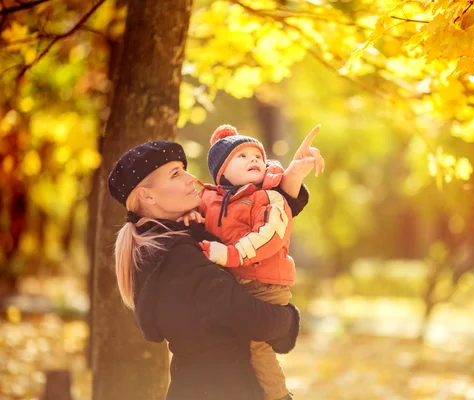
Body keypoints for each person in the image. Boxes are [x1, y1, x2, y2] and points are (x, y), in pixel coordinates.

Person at [107, 133, 324, 400]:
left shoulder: (173, 240)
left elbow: (244, 223)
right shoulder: (176, 257)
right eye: (176, 174)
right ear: (147, 197)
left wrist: (292, 177)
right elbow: (247, 315)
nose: (190, 179)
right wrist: (288, 320)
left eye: (185, 171)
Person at [188, 124, 321, 400]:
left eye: (257, 156)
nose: (253, 160)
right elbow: (196, 218)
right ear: (222, 171)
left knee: (257, 348)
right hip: (237, 283)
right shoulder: (210, 199)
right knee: (234, 346)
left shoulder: (269, 198)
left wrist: (231, 255)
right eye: (242, 155)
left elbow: (269, 236)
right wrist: (189, 217)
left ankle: (279, 396)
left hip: (265, 285)